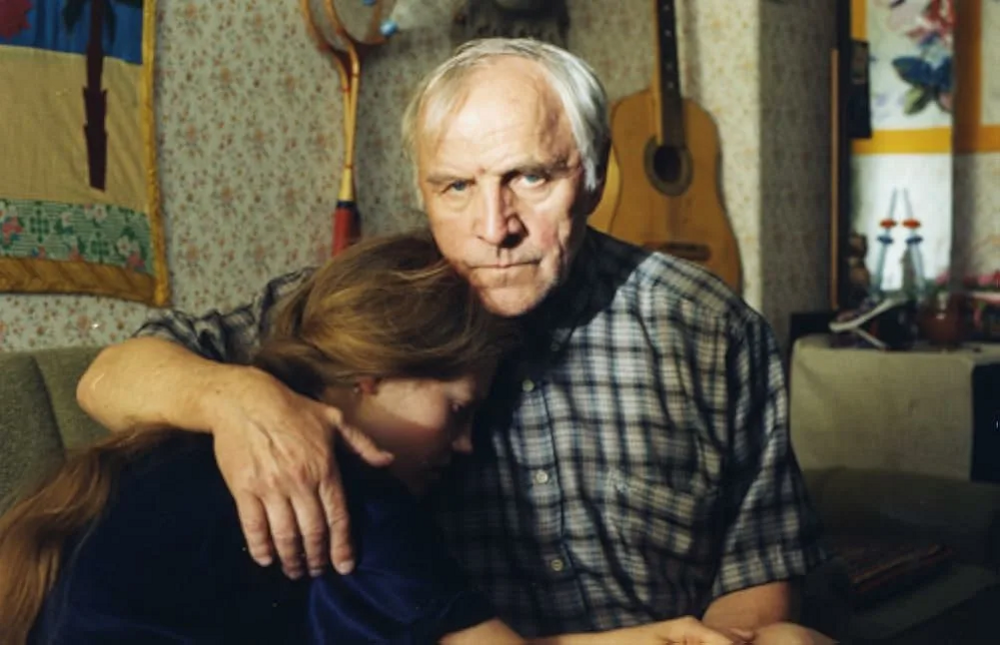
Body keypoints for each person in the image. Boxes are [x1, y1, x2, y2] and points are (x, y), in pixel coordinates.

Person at [75, 39, 834, 643]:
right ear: (421, 188)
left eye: (529, 178)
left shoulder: (709, 328)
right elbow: (106, 378)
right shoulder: (357, 310)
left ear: (596, 175)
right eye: (456, 187)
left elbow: (757, 578)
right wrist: (238, 398)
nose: (493, 227)